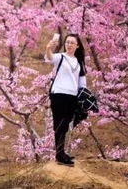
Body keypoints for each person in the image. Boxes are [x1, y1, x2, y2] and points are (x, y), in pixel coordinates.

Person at [45, 33, 87, 166]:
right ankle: (59, 154)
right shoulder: (61, 57)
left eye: (72, 43)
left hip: (72, 97)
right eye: (67, 42)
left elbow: (82, 82)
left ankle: (61, 152)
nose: (69, 45)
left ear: (77, 46)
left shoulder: (79, 61)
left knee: (66, 124)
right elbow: (49, 58)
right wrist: (48, 48)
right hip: (58, 94)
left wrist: (83, 96)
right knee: (59, 124)